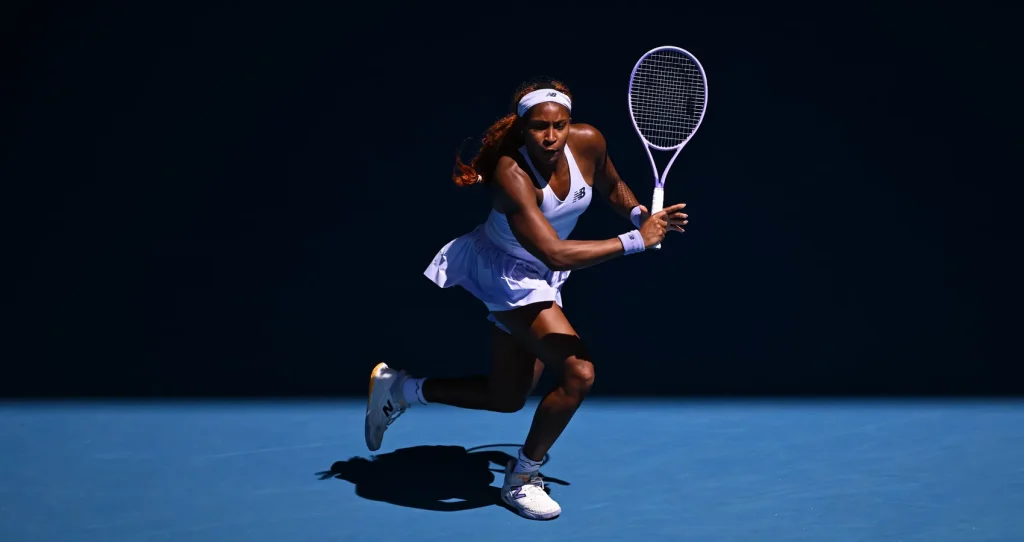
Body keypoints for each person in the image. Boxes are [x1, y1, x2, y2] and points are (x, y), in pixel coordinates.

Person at [363, 78, 689, 520]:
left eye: (560, 125)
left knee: (507, 396)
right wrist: (635, 241)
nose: (551, 137)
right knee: (578, 373)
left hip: (544, 272)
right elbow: (553, 251)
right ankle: (521, 478)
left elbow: (612, 185)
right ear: (522, 127)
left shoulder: (588, 142)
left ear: (571, 123)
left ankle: (399, 389)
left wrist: (639, 215)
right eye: (539, 127)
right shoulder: (510, 174)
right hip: (508, 274)